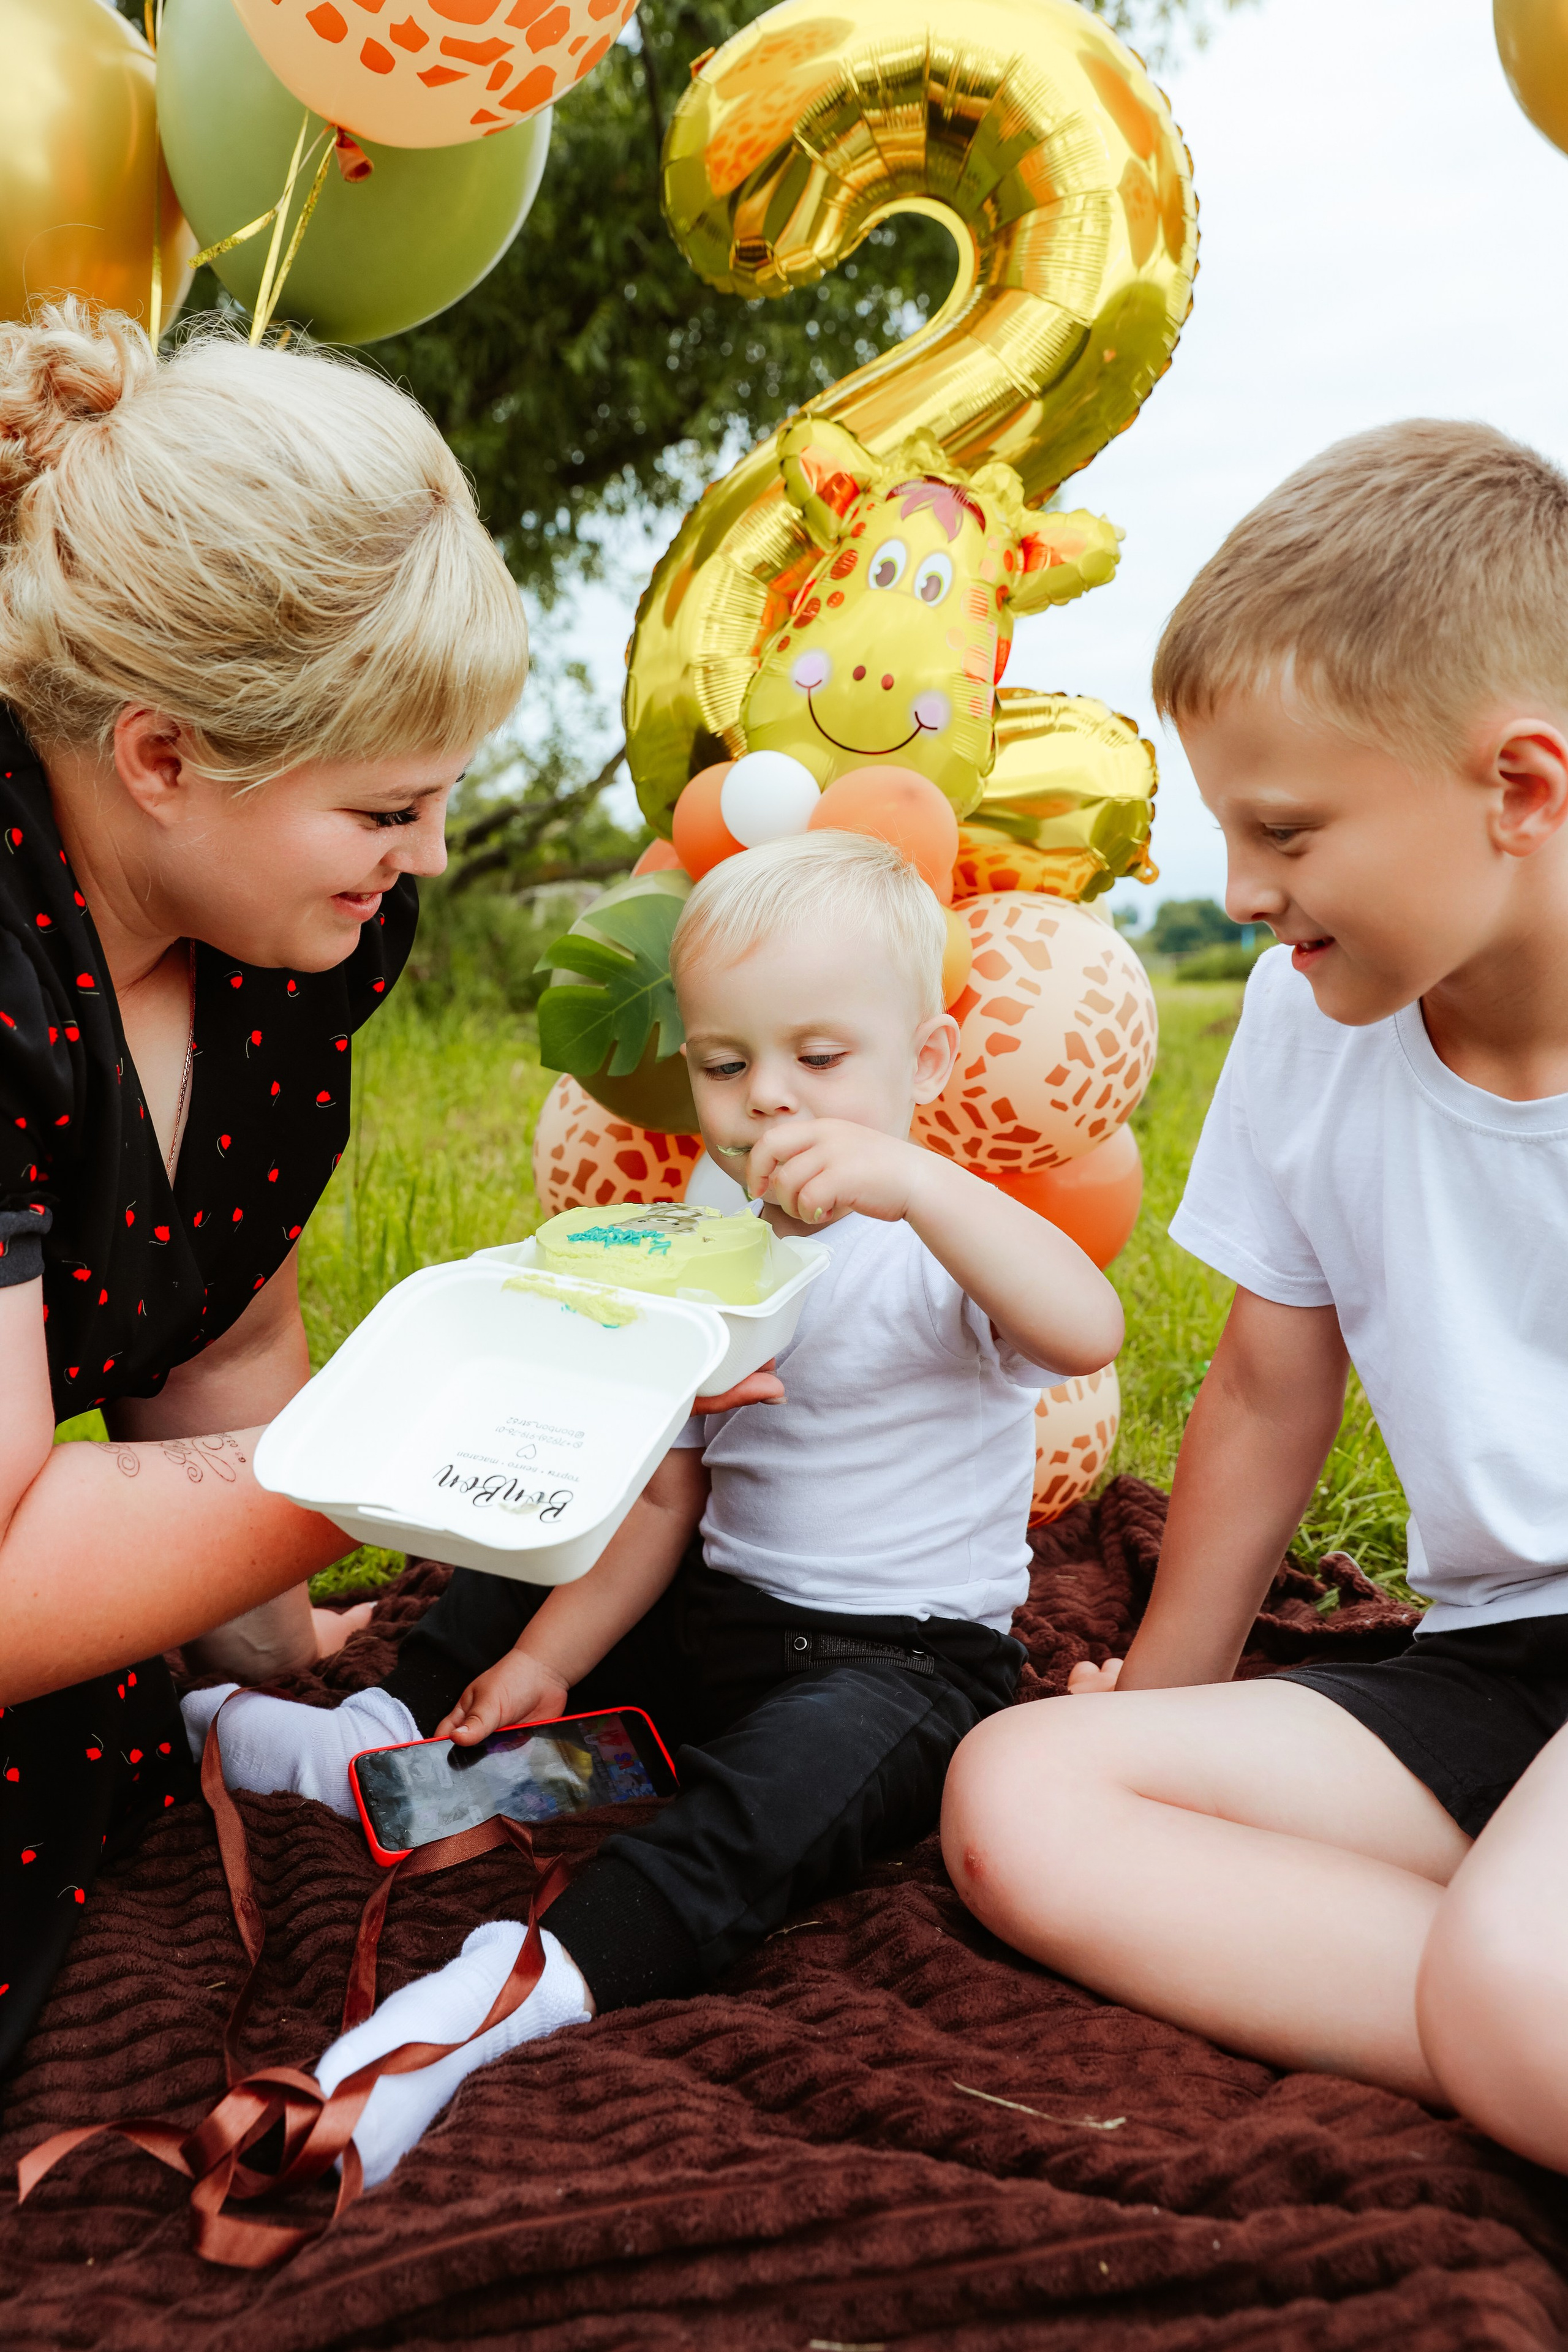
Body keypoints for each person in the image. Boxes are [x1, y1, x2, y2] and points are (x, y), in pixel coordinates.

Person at [192, 829, 1124, 2186]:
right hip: (715, 1616)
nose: (770, 1105)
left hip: (897, 1664)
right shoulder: (708, 1217)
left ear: (922, 1065)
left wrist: (921, 1185)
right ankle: (396, 1752)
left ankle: (507, 1990)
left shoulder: (942, 1237)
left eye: (821, 1059)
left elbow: (1085, 1324)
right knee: (574, 1505)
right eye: (726, 1065)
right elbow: (671, 1482)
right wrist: (543, 1658)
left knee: (765, 1800)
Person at [939, 420, 1568, 2171]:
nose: (1240, 893)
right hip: (1507, 1662)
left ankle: (1516, 2005)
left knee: (1523, 1983)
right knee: (1022, 1800)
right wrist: (1163, 1703)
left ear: (1520, 789)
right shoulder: (1312, 1022)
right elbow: (1269, 1390)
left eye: (1285, 829)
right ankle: (1508, 2013)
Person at [0, 300, 531, 2071]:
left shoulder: (284, 943)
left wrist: (275, 1642)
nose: (430, 859)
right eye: (387, 810)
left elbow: (216, 1316)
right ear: (162, 758)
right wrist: (447, 1441)